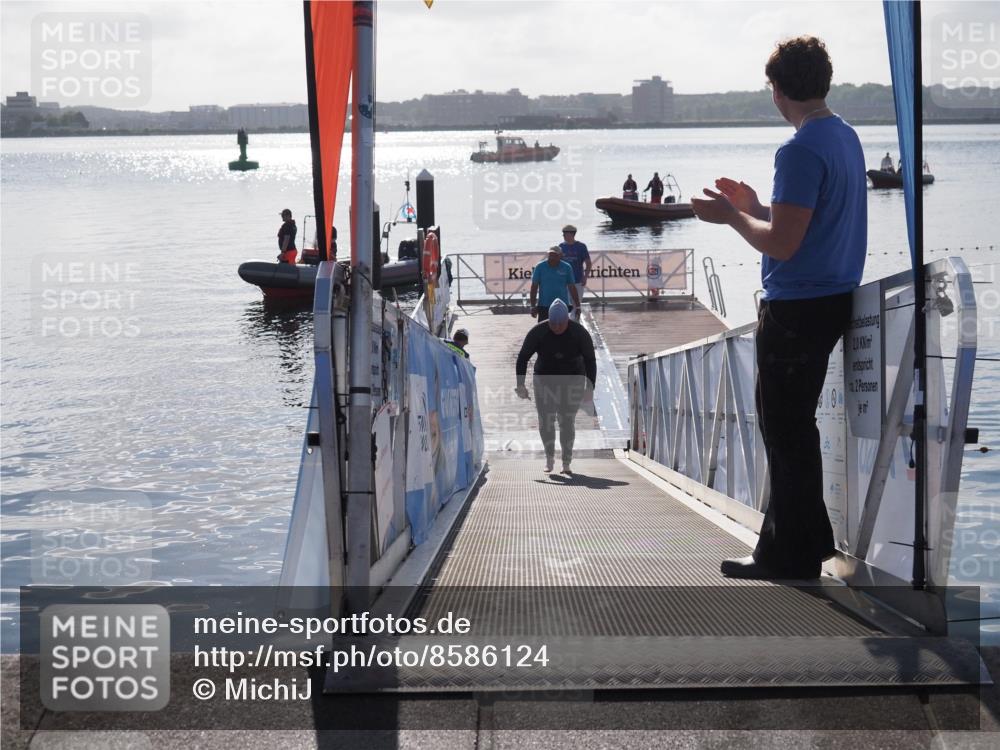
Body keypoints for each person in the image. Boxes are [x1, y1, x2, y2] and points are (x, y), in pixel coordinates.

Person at [691, 35, 866, 580]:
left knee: (784, 430)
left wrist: (730, 218)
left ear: (777, 90)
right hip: (834, 297)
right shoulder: (845, 136)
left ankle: (786, 556)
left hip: (796, 307)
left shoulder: (798, 149)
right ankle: (810, 541)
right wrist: (755, 206)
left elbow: (783, 245)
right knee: (797, 428)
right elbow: (803, 221)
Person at [515, 300, 596, 474]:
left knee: (566, 421)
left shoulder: (579, 333)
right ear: (548, 320)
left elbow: (590, 360)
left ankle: (566, 462)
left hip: (573, 378)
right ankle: (549, 457)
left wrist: (590, 388)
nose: (557, 327)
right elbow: (523, 357)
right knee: (546, 421)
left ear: (567, 320)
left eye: (561, 324)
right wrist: (520, 385)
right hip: (544, 378)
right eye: (553, 323)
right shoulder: (538, 332)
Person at [530, 246, 580, 322]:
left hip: (562, 305)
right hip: (544, 305)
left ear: (561, 256)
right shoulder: (540, 267)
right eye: (550, 255)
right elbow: (534, 287)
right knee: (543, 331)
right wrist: (532, 306)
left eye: (555, 255)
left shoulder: (567, 267)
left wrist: (578, 306)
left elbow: (572, 287)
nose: (552, 257)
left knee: (562, 329)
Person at [559, 224, 592, 321]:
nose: (563, 236)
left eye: (565, 234)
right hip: (565, 281)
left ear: (571, 234)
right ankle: (567, 322)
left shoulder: (581, 246)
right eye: (563, 234)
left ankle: (576, 323)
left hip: (578, 280)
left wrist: (585, 277)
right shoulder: (561, 247)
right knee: (566, 304)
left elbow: (588, 263)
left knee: (577, 304)